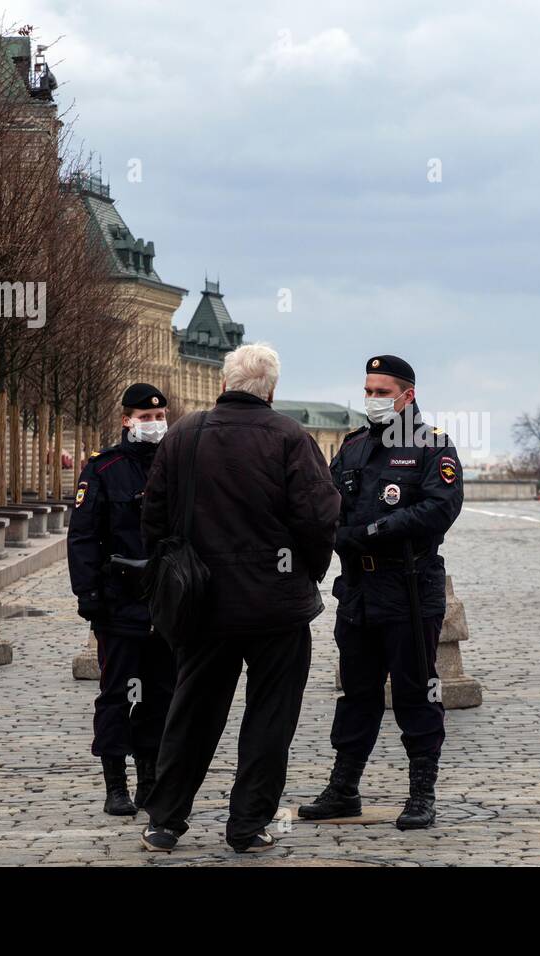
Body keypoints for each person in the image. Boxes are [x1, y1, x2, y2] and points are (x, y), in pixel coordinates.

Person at [138, 343, 340, 854]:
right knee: (270, 719)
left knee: (192, 712)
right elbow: (318, 518)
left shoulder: (184, 434)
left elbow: (153, 518)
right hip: (275, 605)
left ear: (223, 385)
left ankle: (165, 820)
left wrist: (174, 570)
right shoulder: (291, 437)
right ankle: (247, 825)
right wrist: (305, 573)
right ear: (271, 390)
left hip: (201, 602)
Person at [298, 354, 463, 830]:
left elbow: (439, 509)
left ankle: (420, 793)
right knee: (356, 691)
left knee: (416, 691)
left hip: (409, 586)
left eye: (381, 392)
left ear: (407, 396)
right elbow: (325, 503)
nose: (372, 399)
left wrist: (372, 531)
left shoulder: (432, 447)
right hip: (359, 591)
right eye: (368, 391)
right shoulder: (352, 448)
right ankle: (344, 787)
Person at [67, 383, 177, 817]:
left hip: (166, 603)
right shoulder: (104, 467)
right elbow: (83, 536)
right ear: (127, 420)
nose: (155, 424)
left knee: (160, 694)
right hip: (118, 602)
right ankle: (116, 784)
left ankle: (150, 778)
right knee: (116, 694)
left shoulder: (177, 465)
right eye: (146, 418)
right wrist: (89, 595)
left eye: (160, 417)